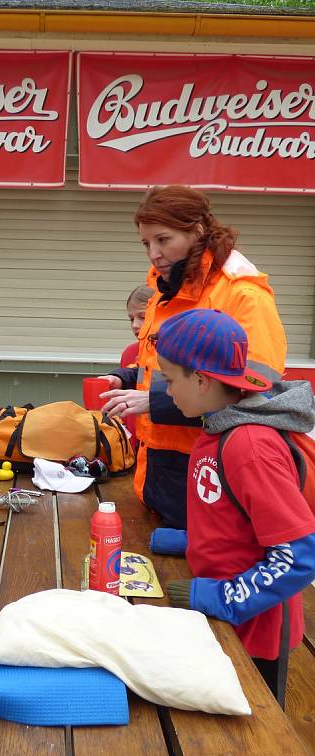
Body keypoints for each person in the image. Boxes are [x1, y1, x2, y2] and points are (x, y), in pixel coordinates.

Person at [150, 308, 315, 704]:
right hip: (227, 621)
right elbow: (238, 515)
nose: (166, 392)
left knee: (247, 746)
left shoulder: (249, 446)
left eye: (170, 380)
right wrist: (193, 539)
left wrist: (221, 598)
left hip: (254, 628)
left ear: (203, 380)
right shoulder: (219, 423)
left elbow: (299, 557)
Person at [100, 185, 287, 529]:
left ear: (197, 232)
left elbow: (259, 392)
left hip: (211, 471)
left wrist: (153, 400)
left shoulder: (243, 295)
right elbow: (161, 366)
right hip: (158, 467)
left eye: (163, 239)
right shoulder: (165, 290)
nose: (153, 254)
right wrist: (127, 379)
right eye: (146, 243)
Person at [119, 286, 155, 450]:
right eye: (131, 319)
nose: (135, 325)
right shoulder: (130, 352)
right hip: (134, 444)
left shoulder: (175, 352)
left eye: (142, 317)